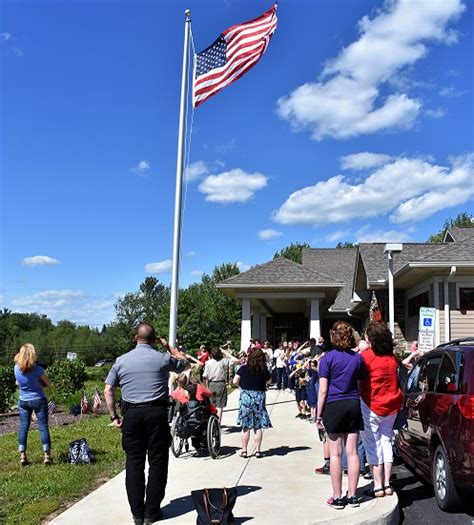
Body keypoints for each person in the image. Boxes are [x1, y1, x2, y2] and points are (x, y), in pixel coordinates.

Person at [104, 324, 189, 525]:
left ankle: (137, 513)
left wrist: (114, 417)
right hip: (156, 414)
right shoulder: (162, 358)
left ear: (136, 338)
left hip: (131, 415)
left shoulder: (121, 361)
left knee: (134, 463)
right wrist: (170, 347)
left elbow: (108, 390)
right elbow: (185, 363)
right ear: (153, 340)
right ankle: (152, 511)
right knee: (158, 462)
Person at [317, 321, 364, 510]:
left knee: (335, 454)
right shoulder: (357, 359)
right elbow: (360, 385)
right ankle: (353, 495)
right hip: (353, 403)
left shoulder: (326, 359)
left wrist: (318, 414)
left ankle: (337, 497)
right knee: (352, 452)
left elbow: (322, 390)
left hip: (333, 406)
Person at [360, 322, 403, 498]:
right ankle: (386, 484)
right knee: (386, 442)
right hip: (392, 405)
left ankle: (377, 485)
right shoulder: (392, 358)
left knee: (372, 445)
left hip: (371, 404)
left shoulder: (366, 356)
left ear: (370, 339)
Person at [14, 343, 52, 466]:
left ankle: (22, 455)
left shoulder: (16, 368)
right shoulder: (38, 369)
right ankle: (46, 455)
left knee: (24, 427)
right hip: (38, 400)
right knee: (43, 427)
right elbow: (48, 384)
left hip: (23, 401)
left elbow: (17, 383)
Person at [233, 348, 272, 458]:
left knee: (245, 426)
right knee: (257, 425)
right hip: (259, 396)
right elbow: (269, 381)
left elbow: (235, 381)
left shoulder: (243, 368)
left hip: (246, 396)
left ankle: (244, 450)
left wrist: (241, 387)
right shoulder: (263, 370)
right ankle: (258, 450)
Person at [203, 347, 238, 424]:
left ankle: (211, 423)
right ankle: (218, 424)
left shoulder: (208, 363)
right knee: (219, 406)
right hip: (221, 384)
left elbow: (205, 377)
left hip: (211, 384)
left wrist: (206, 388)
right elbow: (236, 360)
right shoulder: (223, 361)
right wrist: (225, 352)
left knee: (211, 405)